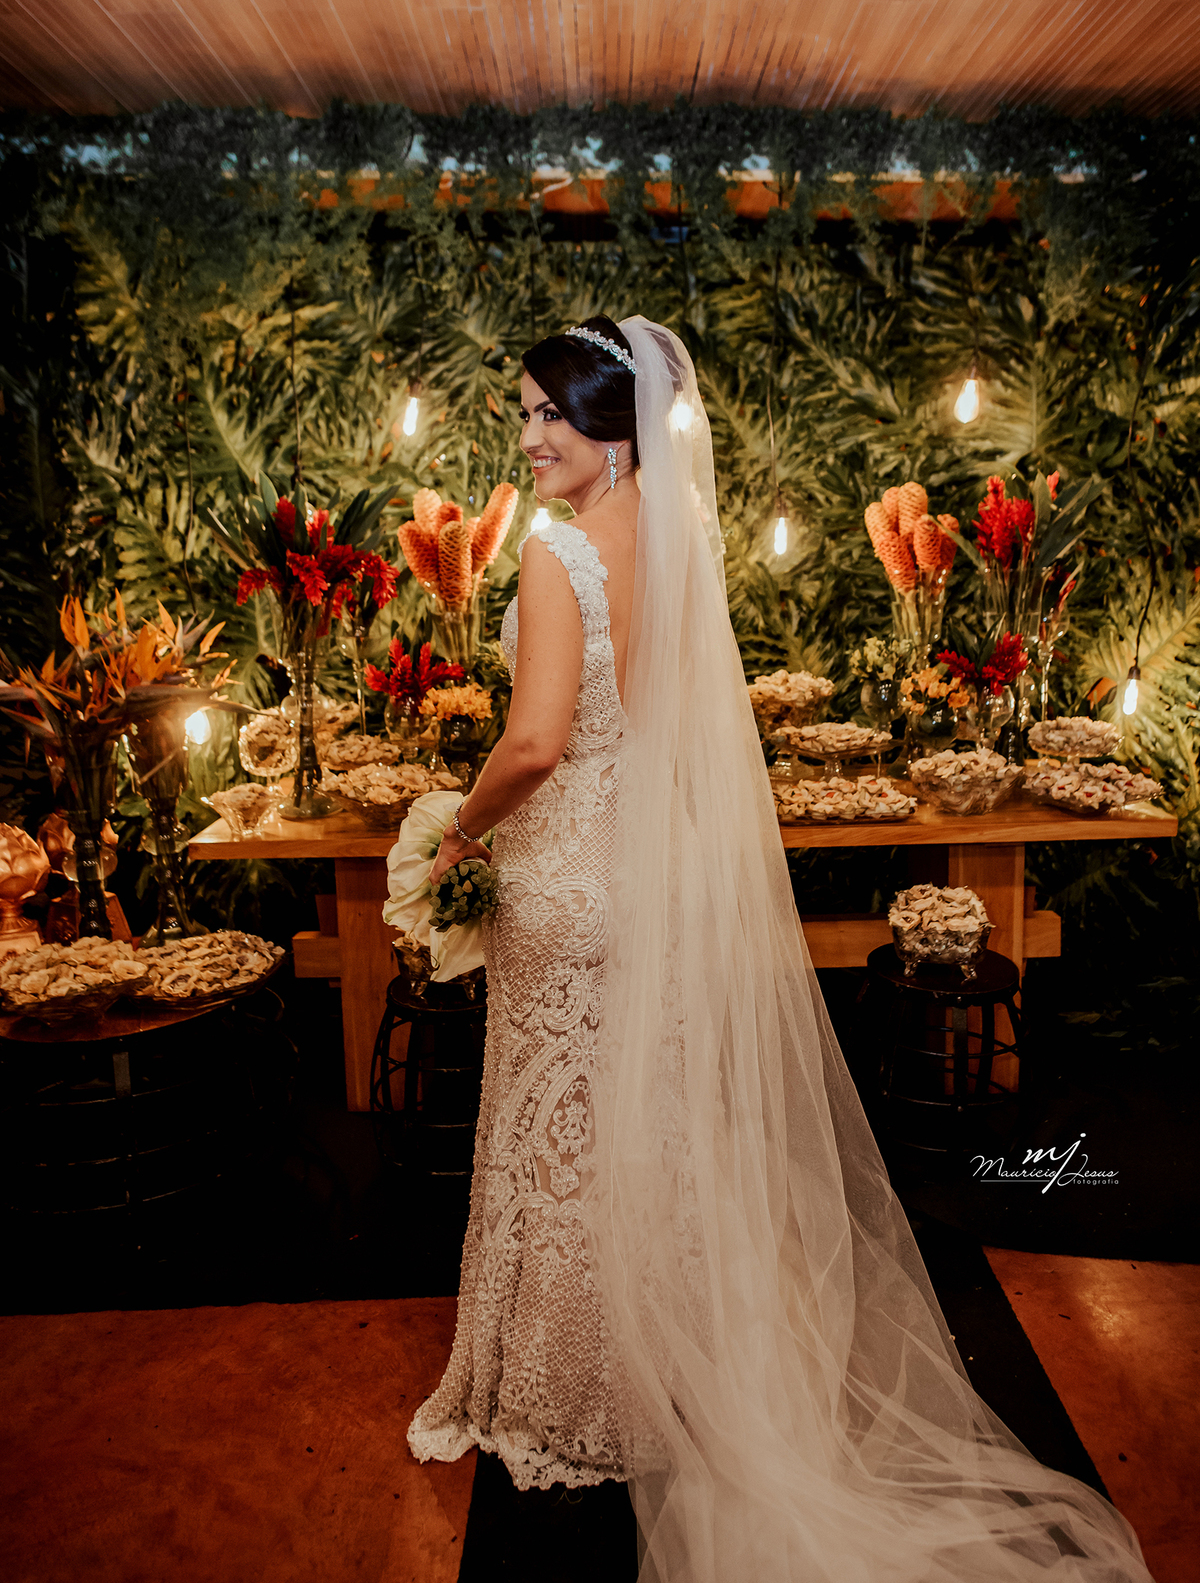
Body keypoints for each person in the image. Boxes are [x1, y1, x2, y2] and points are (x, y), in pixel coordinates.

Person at [409, 316, 1153, 1582]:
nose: (529, 438)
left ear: (613, 428)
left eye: (549, 414)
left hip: (571, 879)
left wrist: (459, 832)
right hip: (654, 869)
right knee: (642, 1123)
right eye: (523, 413)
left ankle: (569, 1389)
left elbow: (534, 743)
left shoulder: (554, 553)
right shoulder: (677, 541)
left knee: (556, 1130)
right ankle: (668, 1370)